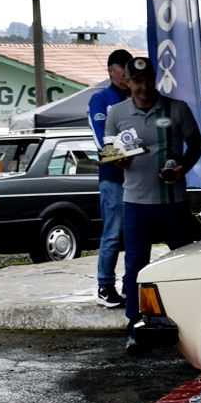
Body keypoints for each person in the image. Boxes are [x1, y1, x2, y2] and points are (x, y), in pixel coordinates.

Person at [107, 55, 201, 353]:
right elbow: (111, 156)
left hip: (172, 202)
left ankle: (193, 325)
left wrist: (182, 168)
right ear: (127, 82)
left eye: (148, 80)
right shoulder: (116, 113)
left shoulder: (177, 108)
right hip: (135, 203)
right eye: (137, 81)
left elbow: (196, 144)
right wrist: (119, 161)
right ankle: (135, 329)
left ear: (155, 79)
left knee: (184, 264)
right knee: (135, 268)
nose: (144, 87)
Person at [86, 48, 133, 307]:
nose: (126, 74)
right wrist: (121, 157)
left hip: (139, 176)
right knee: (113, 232)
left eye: (129, 68)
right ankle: (105, 285)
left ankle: (131, 284)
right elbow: (100, 136)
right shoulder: (100, 98)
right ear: (111, 71)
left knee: (135, 233)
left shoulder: (137, 96)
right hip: (113, 175)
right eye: (122, 68)